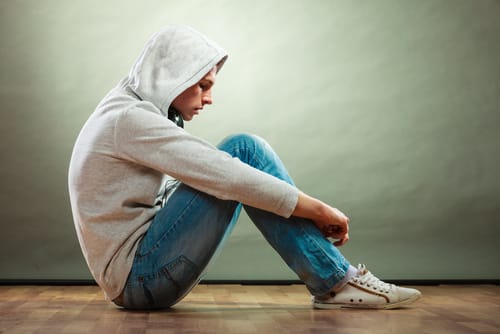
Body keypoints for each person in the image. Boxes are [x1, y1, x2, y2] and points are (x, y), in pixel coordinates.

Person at [68, 25, 421, 310]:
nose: (209, 99)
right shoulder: (129, 119)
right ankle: (334, 281)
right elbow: (226, 174)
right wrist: (318, 208)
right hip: (140, 280)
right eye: (203, 86)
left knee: (236, 165)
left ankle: (333, 281)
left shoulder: (125, 108)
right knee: (244, 153)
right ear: (170, 75)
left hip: (136, 276)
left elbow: (215, 175)